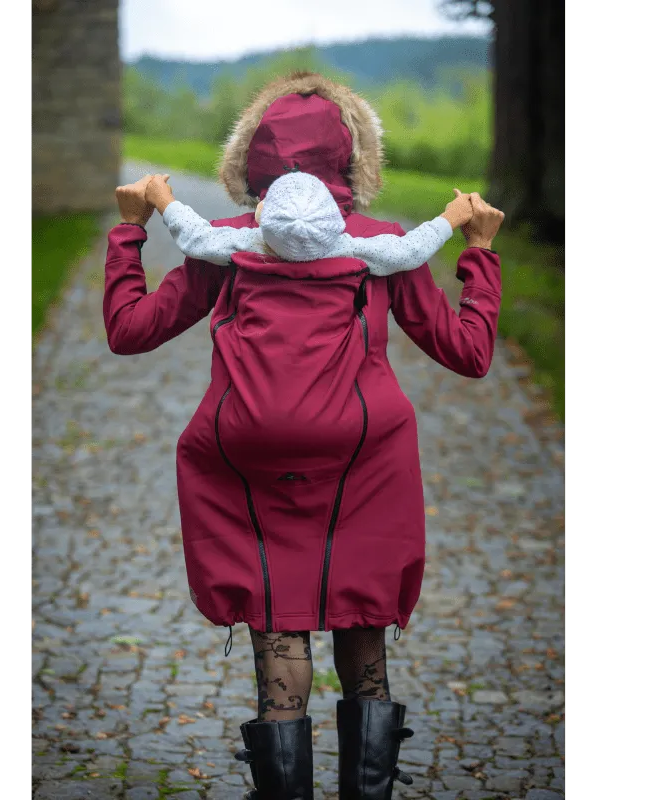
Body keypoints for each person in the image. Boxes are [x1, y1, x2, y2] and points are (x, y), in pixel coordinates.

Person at [105, 70, 505, 800]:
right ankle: (369, 785)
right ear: (356, 162)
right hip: (365, 454)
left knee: (276, 614)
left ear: (250, 160)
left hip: (247, 455)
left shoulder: (223, 243)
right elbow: (468, 353)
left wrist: (131, 232)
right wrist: (477, 252)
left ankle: (282, 782)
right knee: (361, 613)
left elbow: (130, 332)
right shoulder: (386, 246)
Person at [140, 169, 476, 274]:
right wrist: (453, 215)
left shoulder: (250, 245)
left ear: (263, 219)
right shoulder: (352, 250)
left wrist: (162, 198)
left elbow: (195, 237)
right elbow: (409, 252)